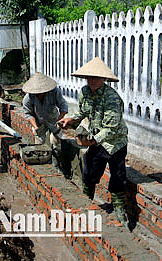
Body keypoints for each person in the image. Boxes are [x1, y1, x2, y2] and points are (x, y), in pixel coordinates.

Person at [58, 57, 129, 226]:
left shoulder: (112, 98)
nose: (92, 81)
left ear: (104, 79)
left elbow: (111, 128)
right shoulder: (84, 92)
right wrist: (71, 120)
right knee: (89, 169)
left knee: (118, 175)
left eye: (96, 78)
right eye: (90, 77)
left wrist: (91, 142)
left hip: (114, 142)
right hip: (96, 139)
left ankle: (119, 208)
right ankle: (86, 200)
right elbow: (82, 112)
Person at [22, 72, 68, 168]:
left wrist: (59, 120)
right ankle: (42, 167)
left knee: (56, 145)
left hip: (53, 121)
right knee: (39, 146)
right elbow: (28, 113)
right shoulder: (28, 98)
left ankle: (57, 166)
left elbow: (63, 107)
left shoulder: (54, 92)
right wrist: (36, 127)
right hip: (38, 122)